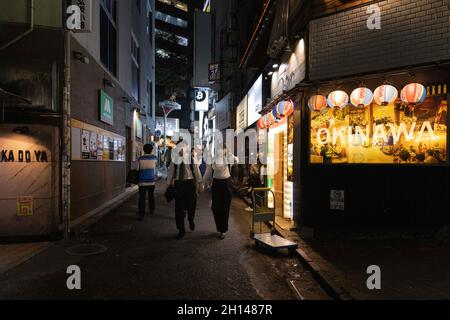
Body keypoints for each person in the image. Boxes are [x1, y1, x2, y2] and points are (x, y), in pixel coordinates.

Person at [166, 140, 203, 240]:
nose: (181, 149)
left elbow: (196, 171)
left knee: (192, 206)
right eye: (179, 147)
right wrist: (168, 185)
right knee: (179, 209)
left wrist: (199, 184)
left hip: (190, 184)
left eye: (183, 147)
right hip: (179, 184)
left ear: (187, 148)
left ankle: (191, 219)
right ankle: (181, 230)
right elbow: (171, 172)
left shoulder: (191, 159)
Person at [203, 145, 238, 240]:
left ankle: (223, 230)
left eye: (223, 149)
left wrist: (229, 155)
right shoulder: (214, 160)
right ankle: (219, 227)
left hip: (227, 183)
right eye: (220, 149)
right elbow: (209, 170)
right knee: (215, 207)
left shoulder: (228, 158)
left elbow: (236, 160)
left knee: (225, 207)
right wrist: (203, 182)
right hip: (217, 184)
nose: (221, 151)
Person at [137, 144, 157, 220]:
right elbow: (155, 167)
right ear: (151, 150)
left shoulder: (140, 158)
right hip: (151, 180)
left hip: (142, 181)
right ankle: (152, 209)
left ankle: (141, 214)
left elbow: (137, 168)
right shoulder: (154, 158)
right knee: (151, 196)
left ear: (143, 150)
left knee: (142, 198)